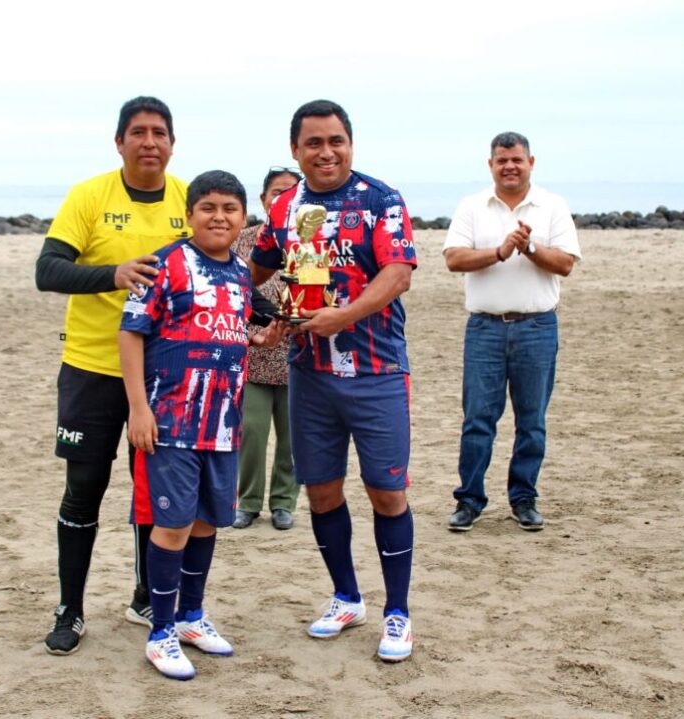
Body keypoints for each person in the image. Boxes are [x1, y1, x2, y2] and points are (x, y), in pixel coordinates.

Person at [250, 100, 417, 662]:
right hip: (310, 374)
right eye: (314, 143)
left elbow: (397, 275)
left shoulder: (381, 200)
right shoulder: (288, 207)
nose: (326, 152)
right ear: (295, 150)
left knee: (386, 492)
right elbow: (264, 268)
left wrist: (342, 317)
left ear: (351, 144)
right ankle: (347, 597)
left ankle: (397, 613)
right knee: (321, 492)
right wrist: (265, 318)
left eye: (336, 141)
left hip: (377, 372)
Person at [34, 96, 190, 654]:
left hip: (163, 376)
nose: (150, 142)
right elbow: (46, 271)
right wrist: (114, 273)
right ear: (119, 141)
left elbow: (218, 269)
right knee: (84, 489)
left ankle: (147, 595)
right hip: (92, 367)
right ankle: (70, 608)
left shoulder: (186, 199)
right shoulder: (89, 196)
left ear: (173, 143)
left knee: (154, 494)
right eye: (138, 132)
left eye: (160, 133)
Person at [119, 170, 280, 680]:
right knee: (172, 525)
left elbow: (230, 329)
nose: (219, 217)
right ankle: (160, 631)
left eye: (229, 209)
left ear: (243, 218)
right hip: (171, 420)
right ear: (190, 214)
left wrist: (258, 343)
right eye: (208, 207)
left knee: (210, 522)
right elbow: (129, 335)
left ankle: (191, 617)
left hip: (224, 422)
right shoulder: (165, 264)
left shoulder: (237, 272)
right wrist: (138, 409)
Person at [442, 131, 582, 533]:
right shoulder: (472, 206)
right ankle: (469, 501)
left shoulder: (552, 206)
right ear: (491, 165)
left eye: (517, 159)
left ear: (531, 162)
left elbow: (566, 264)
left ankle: (524, 499)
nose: (509, 166)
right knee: (478, 420)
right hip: (484, 327)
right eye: (502, 160)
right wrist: (499, 251)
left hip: (537, 327)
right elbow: (454, 258)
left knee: (532, 420)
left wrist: (529, 247)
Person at [231, 167, 302, 531]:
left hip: (299, 356)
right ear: (263, 200)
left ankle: (283, 503)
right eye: (276, 192)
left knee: (293, 441)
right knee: (251, 434)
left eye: (291, 191)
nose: (283, 198)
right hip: (253, 354)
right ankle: (247, 502)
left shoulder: (312, 241)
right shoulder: (242, 241)